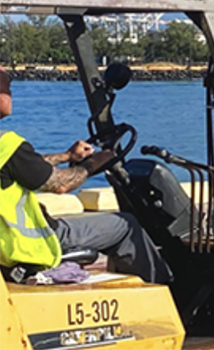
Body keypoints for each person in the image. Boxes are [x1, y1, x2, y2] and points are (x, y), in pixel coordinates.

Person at [0, 66, 172, 284]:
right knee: (125, 225)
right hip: (30, 246)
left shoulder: (8, 150)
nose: (10, 89)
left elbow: (26, 166)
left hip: (5, 249)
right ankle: (165, 292)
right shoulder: (7, 144)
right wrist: (95, 163)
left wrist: (66, 156)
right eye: (5, 84)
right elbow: (60, 184)